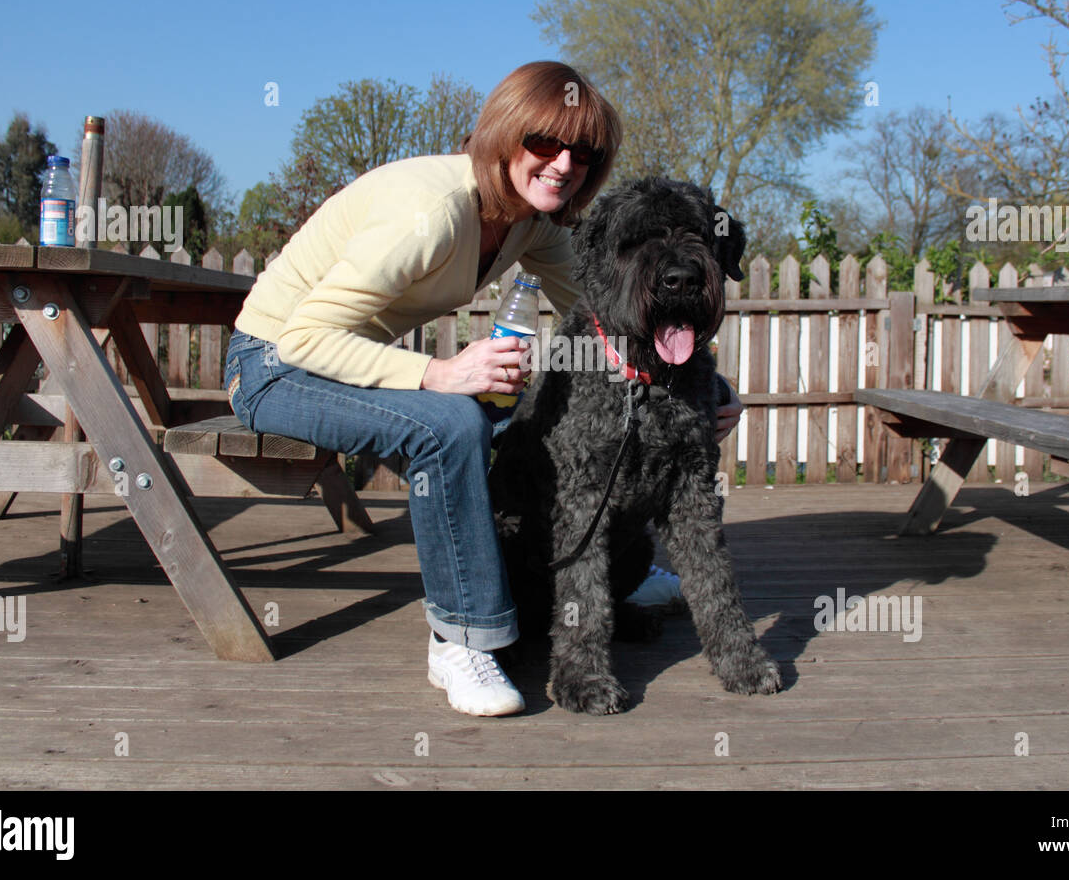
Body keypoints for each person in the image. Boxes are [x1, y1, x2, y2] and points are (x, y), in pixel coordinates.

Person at [224, 61, 743, 716]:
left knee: (528, 427)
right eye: (544, 144)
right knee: (452, 426)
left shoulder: (530, 218)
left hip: (339, 364)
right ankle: (460, 637)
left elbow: (608, 312)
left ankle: (604, 574)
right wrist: (437, 375)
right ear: (502, 137)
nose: (564, 165)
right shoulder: (434, 212)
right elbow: (300, 338)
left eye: (583, 152)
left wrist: (707, 386)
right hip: (272, 368)